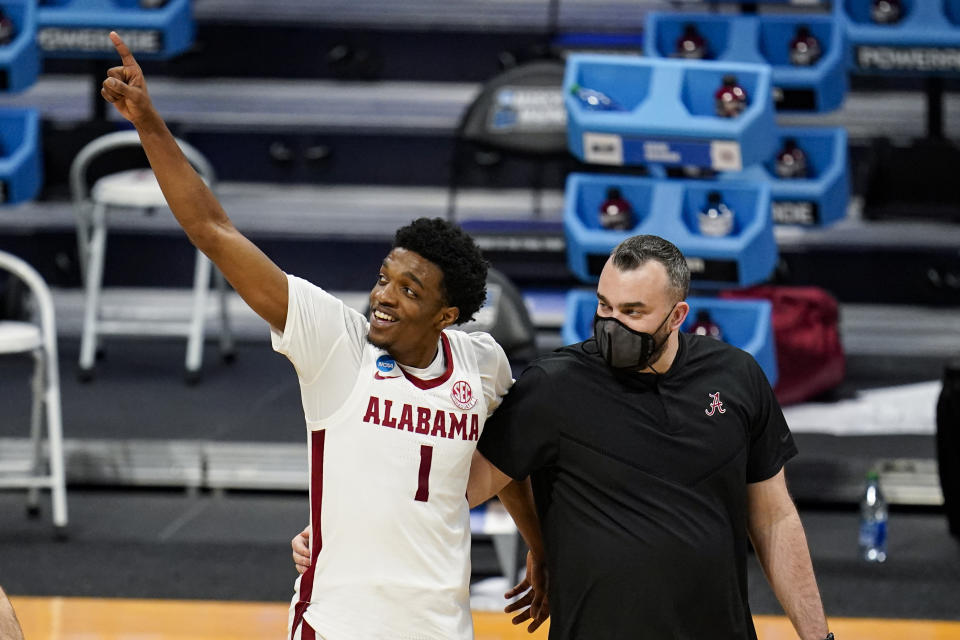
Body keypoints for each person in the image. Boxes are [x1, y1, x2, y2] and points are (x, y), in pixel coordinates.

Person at [100, 33, 545, 640]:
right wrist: (149, 123)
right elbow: (212, 230)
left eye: (409, 290)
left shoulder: (483, 362)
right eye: (384, 278)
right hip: (337, 626)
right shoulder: (335, 340)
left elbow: (512, 460)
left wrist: (538, 543)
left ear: (447, 316)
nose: (384, 295)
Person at [467, 235, 833, 640]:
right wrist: (540, 543)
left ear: (677, 316)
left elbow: (774, 518)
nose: (612, 324)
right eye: (605, 305)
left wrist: (818, 637)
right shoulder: (554, 385)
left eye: (632, 311)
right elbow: (474, 484)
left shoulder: (736, 377)